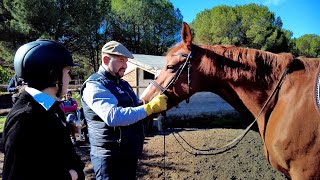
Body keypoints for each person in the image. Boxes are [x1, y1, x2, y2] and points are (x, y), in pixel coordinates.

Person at [81, 41, 167, 180]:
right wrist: (149, 108)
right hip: (109, 157)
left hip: (128, 152)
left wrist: (153, 104)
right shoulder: (94, 85)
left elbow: (136, 108)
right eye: (121, 60)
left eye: (126, 61)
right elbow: (113, 116)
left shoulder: (123, 84)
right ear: (105, 60)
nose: (126, 66)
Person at [3, 39, 85, 180]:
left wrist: (76, 169)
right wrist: (70, 175)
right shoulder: (25, 118)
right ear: (53, 75)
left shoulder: (50, 107)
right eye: (67, 72)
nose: (70, 78)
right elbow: (16, 174)